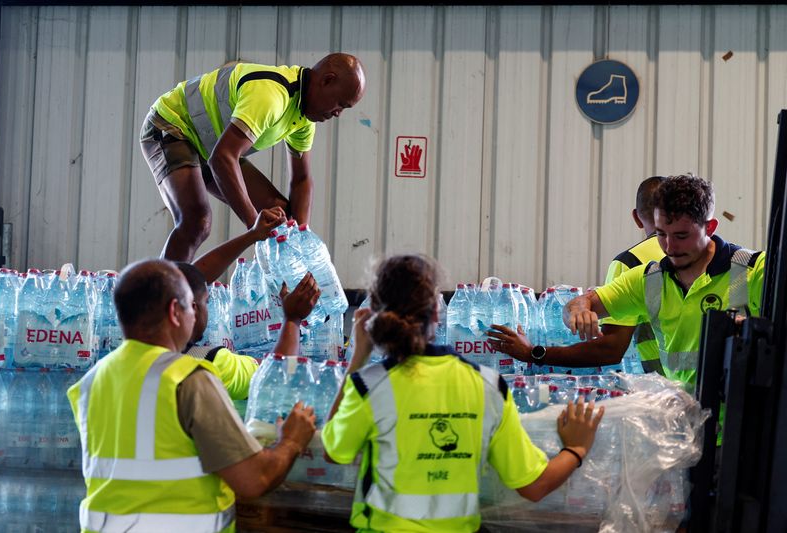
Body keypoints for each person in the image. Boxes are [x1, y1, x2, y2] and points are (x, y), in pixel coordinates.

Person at [321, 255, 604, 532]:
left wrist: (358, 356)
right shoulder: (487, 385)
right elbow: (534, 485)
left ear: (374, 316)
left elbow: (334, 452)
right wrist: (576, 448)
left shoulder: (370, 384)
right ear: (437, 312)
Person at [67, 259, 316, 531]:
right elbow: (255, 479)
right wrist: (292, 440)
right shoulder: (188, 379)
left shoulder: (91, 381)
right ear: (175, 311)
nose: (196, 316)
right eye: (192, 307)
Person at [140, 53, 367, 261]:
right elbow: (222, 159)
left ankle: (281, 295)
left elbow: (301, 180)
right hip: (173, 124)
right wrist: (253, 227)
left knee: (281, 216)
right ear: (327, 80)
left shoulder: (304, 119)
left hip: (211, 145)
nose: (338, 113)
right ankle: (162, 296)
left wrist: (298, 239)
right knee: (196, 221)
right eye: (340, 104)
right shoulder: (272, 96)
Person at [563, 173, 765, 391]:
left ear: (710, 227)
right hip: (686, 417)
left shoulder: (753, 271)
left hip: (744, 421)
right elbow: (580, 303)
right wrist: (578, 311)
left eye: (681, 236)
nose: (669, 247)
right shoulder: (649, 280)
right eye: (661, 234)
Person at [487, 176, 666, 373]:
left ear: (636, 217)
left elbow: (610, 349)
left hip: (669, 388)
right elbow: (580, 306)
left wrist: (533, 353)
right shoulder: (699, 256)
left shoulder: (631, 262)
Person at [176, 206, 321, 400]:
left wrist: (252, 235)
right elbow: (274, 378)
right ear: (191, 310)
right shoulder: (209, 363)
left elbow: (185, 280)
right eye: (206, 302)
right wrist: (292, 319)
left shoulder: (126, 356)